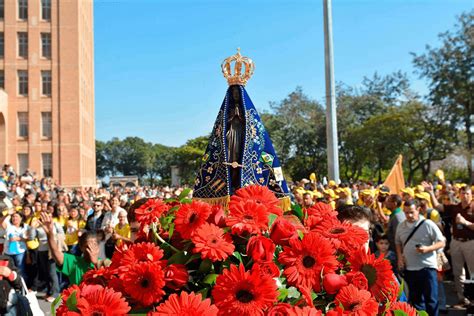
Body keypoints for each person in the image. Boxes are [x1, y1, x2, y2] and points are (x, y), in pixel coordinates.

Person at [395, 199, 446, 316]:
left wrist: (427, 249)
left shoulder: (428, 224)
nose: (409, 215)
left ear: (418, 210)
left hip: (427, 267)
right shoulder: (401, 226)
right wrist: (399, 258)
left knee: (431, 300)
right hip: (410, 268)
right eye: (406, 212)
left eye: (412, 212)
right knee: (417, 300)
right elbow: (397, 242)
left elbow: (441, 242)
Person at [429, 184, 474, 308]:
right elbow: (437, 206)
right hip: (456, 242)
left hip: (471, 242)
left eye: (467, 194)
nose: (465, 196)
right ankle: (462, 298)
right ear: (459, 195)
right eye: (463, 193)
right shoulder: (455, 208)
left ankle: (473, 298)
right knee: (458, 272)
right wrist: (431, 192)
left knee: (473, 271)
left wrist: (465, 222)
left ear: (471, 195)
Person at [40, 212, 100, 285]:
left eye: (94, 245)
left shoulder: (105, 263)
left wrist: (96, 263)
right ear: (81, 247)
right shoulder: (74, 261)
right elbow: (56, 254)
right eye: (87, 246)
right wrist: (50, 235)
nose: (91, 249)